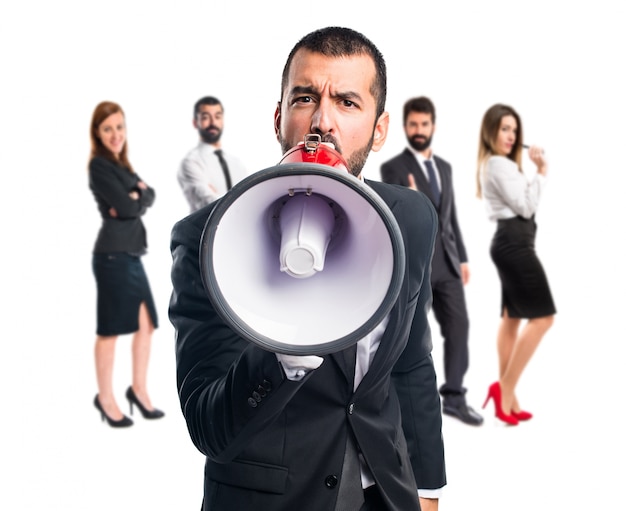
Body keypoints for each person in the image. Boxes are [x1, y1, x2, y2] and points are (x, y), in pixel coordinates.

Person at [169, 27, 446, 510]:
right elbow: (208, 427)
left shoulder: (412, 217)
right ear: (279, 118)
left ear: (380, 130)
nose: (323, 121)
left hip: (388, 493)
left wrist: (427, 488)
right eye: (304, 99)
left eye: (347, 102)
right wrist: (283, 352)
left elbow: (411, 363)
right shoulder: (208, 238)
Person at [381, 96, 483, 426]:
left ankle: (454, 396)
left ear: (433, 126)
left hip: (449, 264)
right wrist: (416, 197)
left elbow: (450, 218)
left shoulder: (445, 168)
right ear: (405, 126)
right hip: (416, 264)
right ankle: (399, 399)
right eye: (413, 124)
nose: (419, 130)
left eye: (424, 124)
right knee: (410, 334)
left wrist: (463, 258)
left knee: (459, 327)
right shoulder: (393, 168)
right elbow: (400, 219)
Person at [476, 103, 556, 426]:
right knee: (543, 318)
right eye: (504, 128)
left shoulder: (503, 165)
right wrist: (542, 172)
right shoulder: (497, 164)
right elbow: (526, 206)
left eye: (513, 129)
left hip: (515, 241)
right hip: (514, 242)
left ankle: (508, 399)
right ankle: (504, 388)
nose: (510, 135)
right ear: (491, 131)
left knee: (512, 318)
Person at [88, 101, 164, 428]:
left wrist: (137, 197)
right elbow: (129, 206)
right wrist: (134, 197)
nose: (115, 134)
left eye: (119, 127)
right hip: (112, 256)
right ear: (98, 133)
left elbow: (149, 196)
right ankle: (105, 398)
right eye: (108, 129)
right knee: (110, 330)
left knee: (147, 324)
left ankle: (139, 389)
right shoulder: (100, 166)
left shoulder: (122, 165)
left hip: (131, 254)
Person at [177, 96, 248, 212]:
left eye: (217, 116)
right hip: (206, 229)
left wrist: (219, 196)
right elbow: (208, 203)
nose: (213, 122)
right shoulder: (190, 162)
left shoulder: (236, 163)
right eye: (205, 117)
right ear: (195, 122)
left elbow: (248, 199)